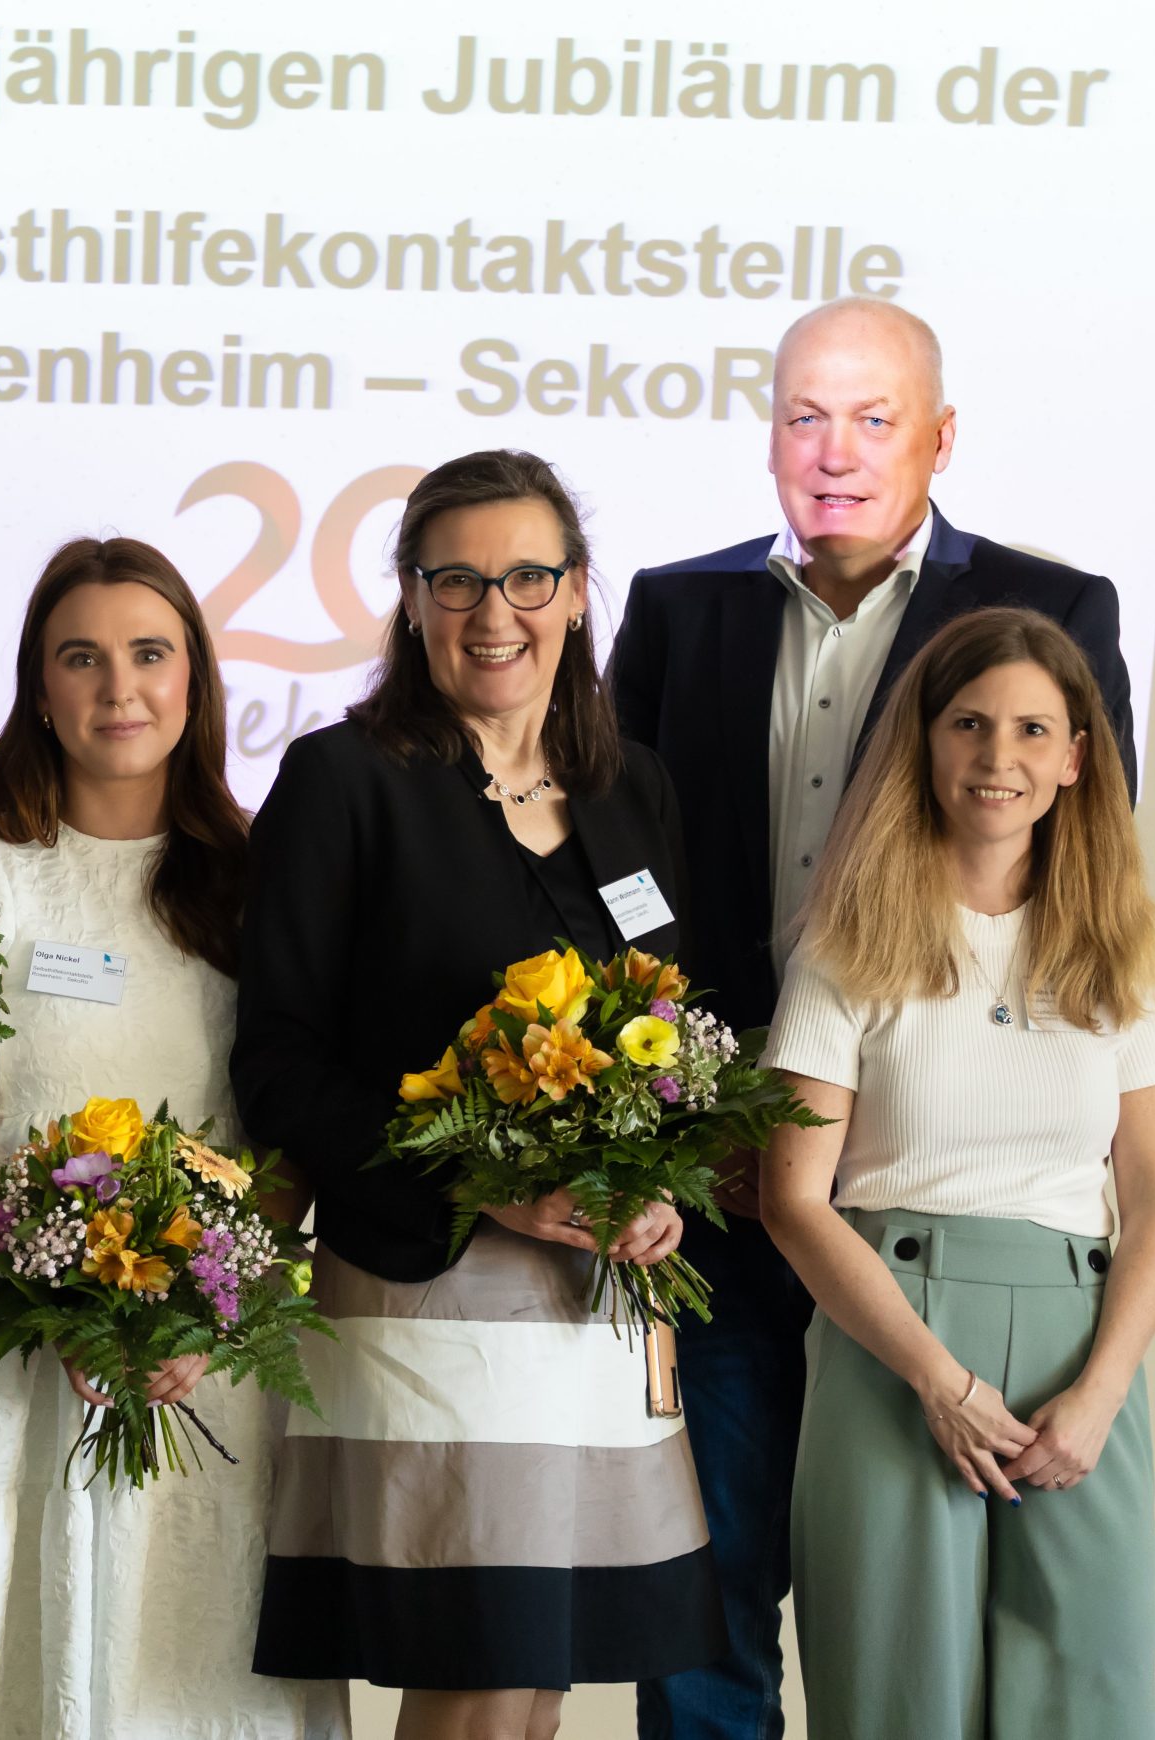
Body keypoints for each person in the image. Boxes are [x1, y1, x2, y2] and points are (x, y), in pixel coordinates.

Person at [606, 297, 1140, 1740]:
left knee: (910, 1625)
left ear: (941, 436)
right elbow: (622, 887)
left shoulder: (1049, 609)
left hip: (922, 1205)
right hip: (724, 1181)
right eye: (802, 416)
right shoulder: (676, 606)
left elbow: (1077, 894)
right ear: (769, 435)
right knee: (707, 1582)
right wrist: (690, 1122)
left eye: (873, 417)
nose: (833, 452)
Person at [0, 538, 342, 1740]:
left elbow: (289, 1134)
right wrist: (45, 1296)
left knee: (183, 1656)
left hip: (192, 1349)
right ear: (37, 687)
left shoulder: (265, 874)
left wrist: (200, 1310)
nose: (120, 690)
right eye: (82, 659)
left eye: (150, 655)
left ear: (197, 681)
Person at [240, 451, 724, 1740]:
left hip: (593, 1298)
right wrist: (481, 1185)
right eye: (455, 579)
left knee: (536, 1671)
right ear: (408, 600)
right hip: (426, 1274)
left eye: (526, 576)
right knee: (473, 1656)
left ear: (575, 594)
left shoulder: (637, 791)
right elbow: (277, 1057)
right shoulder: (344, 782)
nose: (493, 612)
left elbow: (678, 1036)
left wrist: (656, 1185)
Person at [757, 607, 1155, 1738]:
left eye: (1030, 729)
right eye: (968, 724)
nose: (998, 758)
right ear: (924, 740)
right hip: (891, 1343)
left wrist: (1098, 1397)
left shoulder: (1124, 946)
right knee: (897, 1697)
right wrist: (938, 1384)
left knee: (1083, 1698)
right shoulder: (844, 942)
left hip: (1078, 1350)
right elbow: (793, 1199)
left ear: (1073, 757)